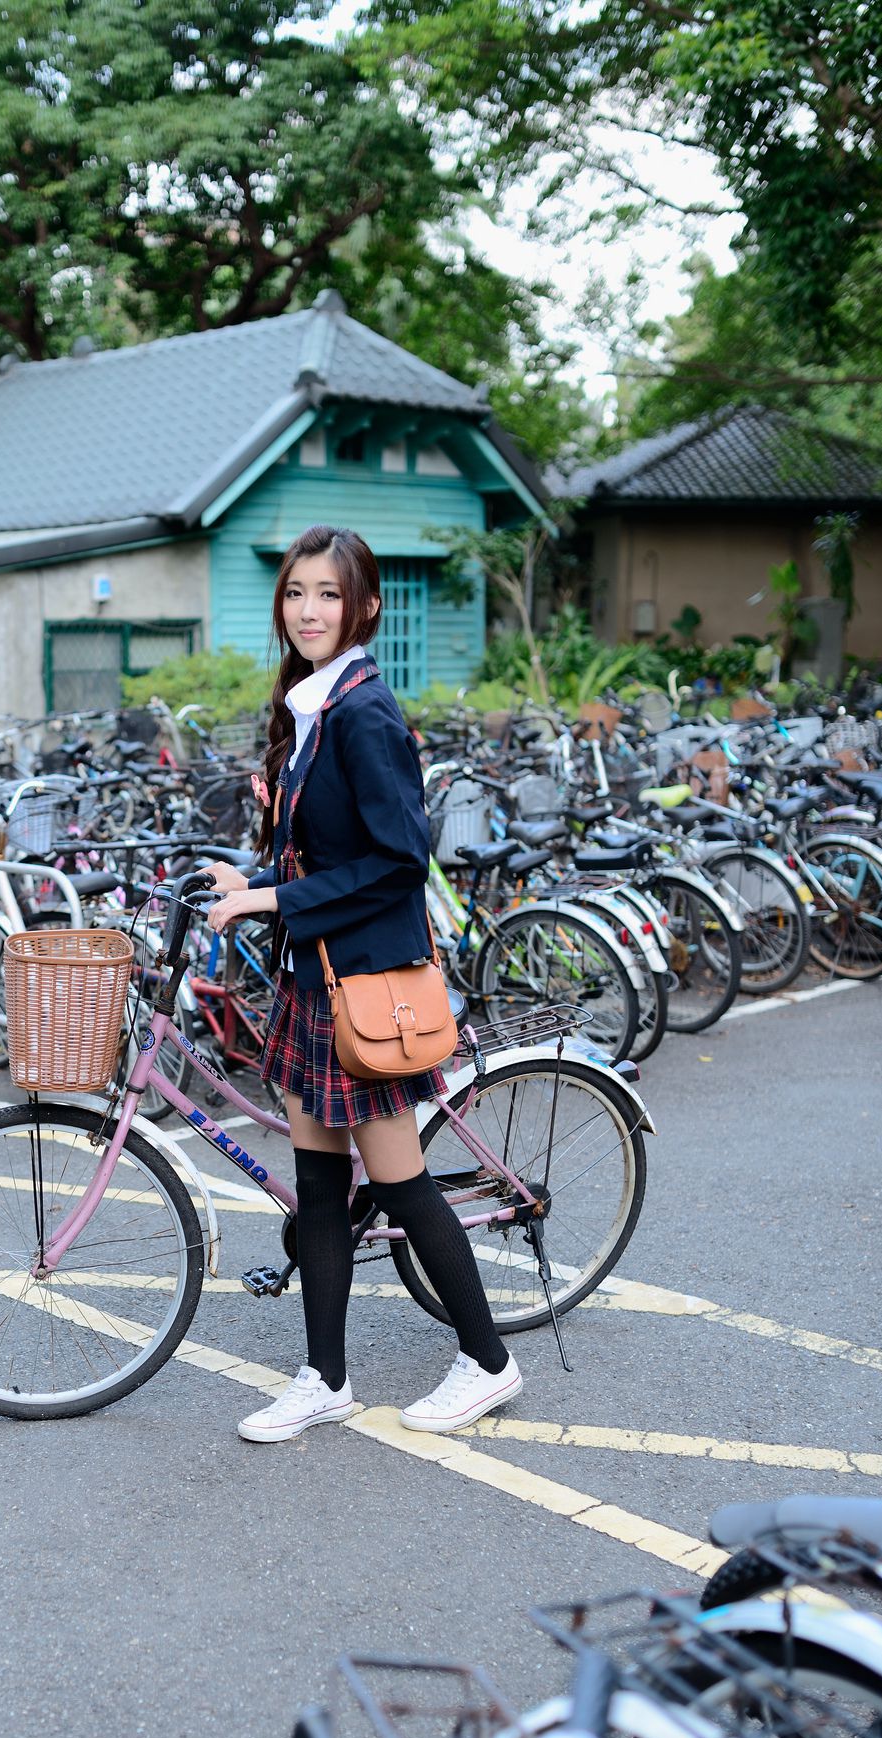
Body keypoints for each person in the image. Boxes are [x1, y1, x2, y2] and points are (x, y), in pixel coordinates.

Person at [206, 525, 523, 1445]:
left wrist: (274, 897)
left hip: (368, 982)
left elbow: (397, 861)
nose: (308, 610)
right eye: (296, 592)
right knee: (317, 1185)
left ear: (364, 606)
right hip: (323, 977)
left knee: (402, 1183)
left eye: (328, 595)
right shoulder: (312, 705)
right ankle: (324, 1378)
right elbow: (321, 846)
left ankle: (489, 1361)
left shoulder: (362, 712)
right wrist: (253, 886)